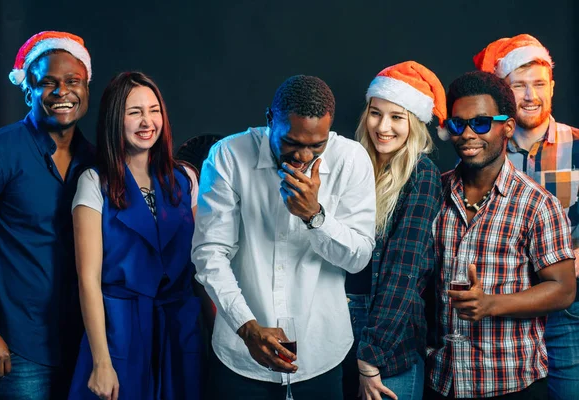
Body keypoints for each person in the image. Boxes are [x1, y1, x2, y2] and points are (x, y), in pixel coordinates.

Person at [192, 75, 376, 399]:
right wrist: (246, 327)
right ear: (269, 121)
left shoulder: (352, 160)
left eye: (316, 146)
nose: (303, 157)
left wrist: (314, 216)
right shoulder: (228, 157)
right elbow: (210, 253)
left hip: (321, 354)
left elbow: (359, 258)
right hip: (239, 356)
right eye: (291, 142)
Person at [426, 71, 576, 399]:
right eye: (457, 124)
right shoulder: (433, 192)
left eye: (480, 123)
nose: (467, 134)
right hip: (442, 382)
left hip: (509, 382)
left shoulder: (537, 204)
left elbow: (563, 289)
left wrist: (491, 303)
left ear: (507, 127)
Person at [67, 72, 202, 400]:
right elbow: (88, 279)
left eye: (154, 110)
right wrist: (101, 360)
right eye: (134, 112)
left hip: (180, 327)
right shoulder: (94, 181)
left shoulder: (185, 177)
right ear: (116, 118)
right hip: (119, 330)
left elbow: (202, 264)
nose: (147, 121)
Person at [0, 31, 93, 399]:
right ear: (28, 91)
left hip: (83, 344)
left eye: (73, 81)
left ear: (86, 88)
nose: (62, 92)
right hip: (16, 346)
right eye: (47, 83)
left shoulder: (96, 162)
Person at [473, 34, 579, 400]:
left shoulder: (578, 145)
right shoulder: (484, 151)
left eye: (538, 84)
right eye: (519, 86)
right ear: (504, 92)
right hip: (505, 307)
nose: (531, 96)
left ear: (552, 86)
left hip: (569, 310)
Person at [342, 61, 443, 400]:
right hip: (337, 320)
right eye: (375, 113)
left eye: (397, 117)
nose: (383, 126)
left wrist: (371, 357)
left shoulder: (421, 174)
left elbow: (404, 270)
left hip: (387, 331)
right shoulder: (352, 164)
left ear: (414, 123)